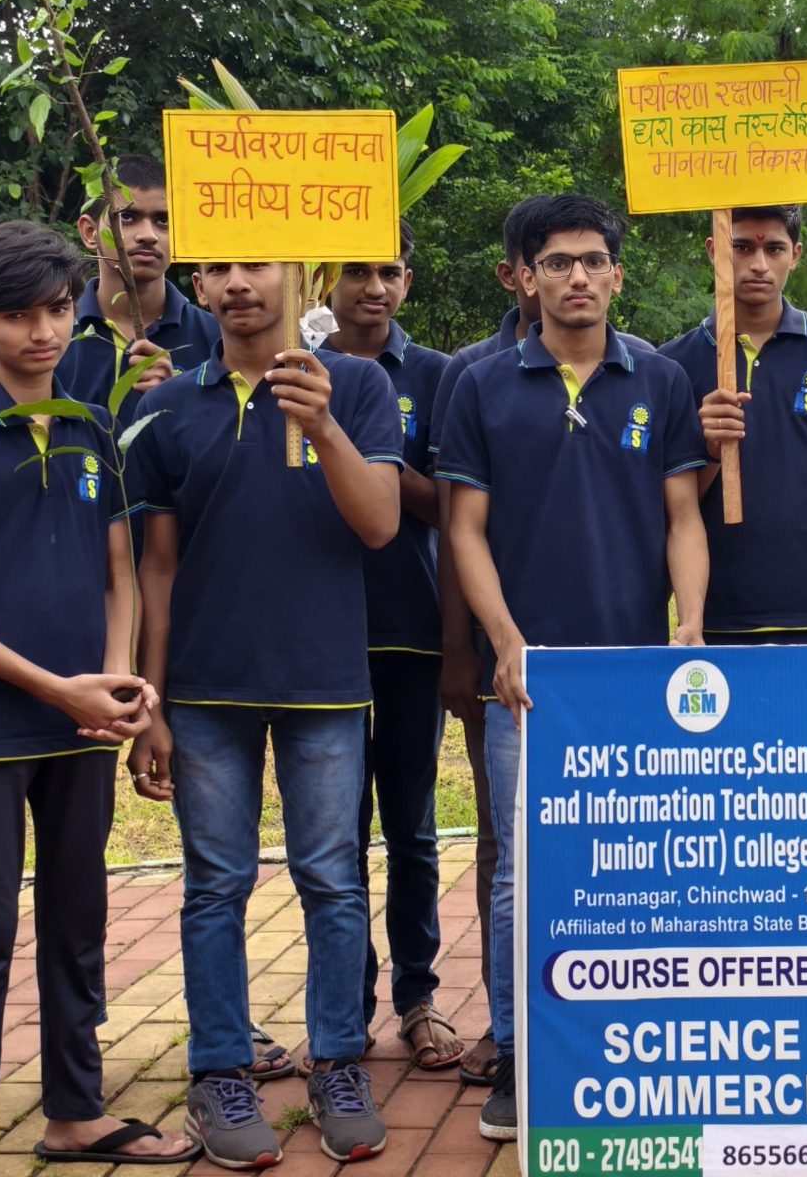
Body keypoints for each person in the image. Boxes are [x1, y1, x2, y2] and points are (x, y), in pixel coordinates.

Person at [0, 220, 193, 1172]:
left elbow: (121, 574)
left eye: (58, 310)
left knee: (79, 923)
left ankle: (75, 1112)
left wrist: (112, 690)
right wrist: (50, 686)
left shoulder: (89, 424)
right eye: (18, 315)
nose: (43, 332)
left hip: (81, 728)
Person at [437, 194, 710, 1141]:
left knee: (640, 863)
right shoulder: (478, 386)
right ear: (525, 276)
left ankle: (624, 1033)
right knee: (523, 870)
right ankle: (517, 1049)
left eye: (594, 261)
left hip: (638, 673)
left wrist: (691, 629)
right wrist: (505, 641)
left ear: (619, 274)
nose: (579, 277)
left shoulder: (662, 381)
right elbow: (461, 530)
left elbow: (684, 517)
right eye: (557, 263)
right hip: (529, 680)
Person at [127, 259, 404, 1166]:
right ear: (198, 287)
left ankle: (336, 1059)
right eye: (218, 270)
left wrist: (320, 422)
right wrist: (153, 701)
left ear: (293, 274)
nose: (239, 283)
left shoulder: (357, 385)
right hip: (205, 690)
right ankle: (220, 1072)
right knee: (216, 885)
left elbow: (381, 525)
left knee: (332, 877)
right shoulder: (167, 408)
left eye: (256, 265)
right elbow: (156, 570)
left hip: (324, 681)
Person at [324, 225, 469, 1073]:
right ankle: (345, 1000)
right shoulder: (284, 366)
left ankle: (418, 997)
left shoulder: (438, 376)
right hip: (321, 636)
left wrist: (360, 454)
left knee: (411, 828)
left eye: (387, 271)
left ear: (407, 282)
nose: (372, 287)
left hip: (411, 630)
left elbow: (450, 511)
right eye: (355, 271)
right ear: (324, 278)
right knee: (334, 835)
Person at [663, 204, 807, 645]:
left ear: (796, 254)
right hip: (716, 612)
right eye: (740, 247)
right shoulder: (670, 365)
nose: (758, 264)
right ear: (712, 250)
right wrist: (704, 448)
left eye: (774, 248)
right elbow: (673, 506)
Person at [57, 155, 217, 412]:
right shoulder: (55, 336)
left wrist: (177, 397)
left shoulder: (217, 339)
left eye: (163, 221)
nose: (148, 235)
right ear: (90, 232)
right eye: (127, 217)